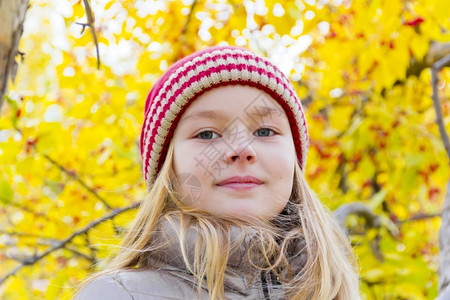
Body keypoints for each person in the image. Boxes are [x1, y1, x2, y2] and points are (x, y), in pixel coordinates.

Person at [74, 45, 360, 299]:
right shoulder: (117, 295)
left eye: (264, 131)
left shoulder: (334, 291)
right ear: (168, 171)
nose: (242, 149)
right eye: (208, 134)